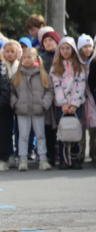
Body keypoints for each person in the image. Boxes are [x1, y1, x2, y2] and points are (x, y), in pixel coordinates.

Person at [10, 47, 54, 171]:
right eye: (25, 57)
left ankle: (43, 159)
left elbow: (49, 90)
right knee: (23, 136)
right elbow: (11, 91)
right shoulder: (17, 75)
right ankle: (23, 159)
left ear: (35, 58)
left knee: (40, 135)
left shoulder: (42, 74)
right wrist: (16, 103)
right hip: (22, 110)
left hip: (38, 110)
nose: (27, 59)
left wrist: (44, 103)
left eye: (29, 57)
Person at [50, 37, 85, 169]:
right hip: (62, 106)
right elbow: (56, 85)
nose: (65, 51)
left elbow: (80, 84)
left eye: (68, 48)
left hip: (76, 105)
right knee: (63, 132)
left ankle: (75, 159)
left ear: (73, 49)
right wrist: (63, 103)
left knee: (75, 131)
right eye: (62, 48)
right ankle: (64, 160)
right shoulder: (55, 66)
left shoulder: (79, 66)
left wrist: (74, 103)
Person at [38, 30, 61, 165]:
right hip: (46, 96)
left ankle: (65, 156)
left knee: (63, 127)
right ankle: (50, 156)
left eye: (50, 40)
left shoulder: (62, 57)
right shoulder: (40, 57)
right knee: (48, 128)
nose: (47, 43)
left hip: (62, 97)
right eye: (45, 41)